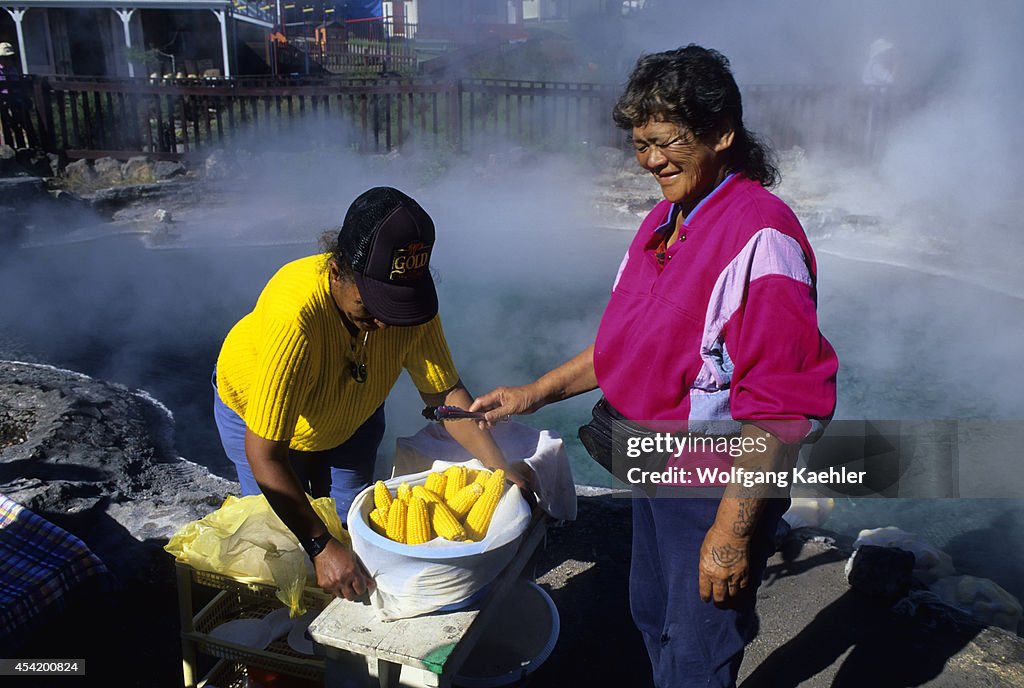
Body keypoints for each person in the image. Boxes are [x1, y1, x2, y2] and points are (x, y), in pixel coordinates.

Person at [471, 45, 838, 687]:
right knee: (652, 613)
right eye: (641, 144)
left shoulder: (760, 239)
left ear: (723, 133)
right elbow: (626, 346)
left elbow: (783, 411)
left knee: (700, 645)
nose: (651, 160)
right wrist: (532, 393)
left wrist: (730, 532)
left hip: (711, 482)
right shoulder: (667, 221)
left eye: (666, 141)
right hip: (655, 462)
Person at [213, 186, 530, 602]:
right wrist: (319, 546)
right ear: (337, 271)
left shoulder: (409, 311)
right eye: (373, 305)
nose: (385, 323)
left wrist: (497, 467)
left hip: (352, 412)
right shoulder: (295, 318)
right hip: (265, 425)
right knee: (283, 544)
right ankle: (289, 632)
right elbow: (265, 454)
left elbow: (444, 394)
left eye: (396, 307)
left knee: (358, 523)